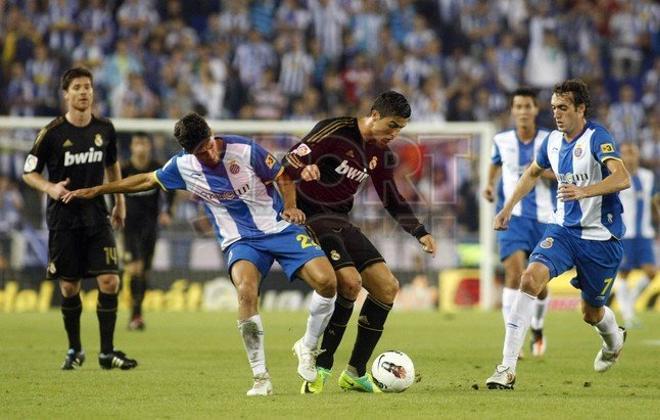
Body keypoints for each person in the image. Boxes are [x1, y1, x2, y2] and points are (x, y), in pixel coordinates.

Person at [63, 112, 338, 396]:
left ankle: (306, 345)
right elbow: (145, 180)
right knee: (245, 290)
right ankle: (260, 378)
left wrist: (291, 206)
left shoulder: (243, 149)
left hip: (279, 227)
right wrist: (98, 190)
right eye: (200, 151)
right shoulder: (182, 167)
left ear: (211, 133)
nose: (209, 152)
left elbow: (282, 176)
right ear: (188, 152)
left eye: (209, 144)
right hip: (240, 240)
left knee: (328, 282)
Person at [282, 90, 437, 393]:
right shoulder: (336, 131)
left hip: (340, 221)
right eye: (392, 125)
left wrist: (419, 231)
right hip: (313, 217)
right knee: (350, 283)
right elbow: (287, 163)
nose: (395, 133)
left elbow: (391, 198)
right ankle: (321, 369)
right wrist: (298, 186)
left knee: (387, 287)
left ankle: (354, 372)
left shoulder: (380, 152)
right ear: (375, 115)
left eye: (401, 129)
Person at [486, 79, 631, 390]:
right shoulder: (551, 141)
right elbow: (531, 173)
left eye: (563, 108)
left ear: (580, 109)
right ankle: (506, 368)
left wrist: (584, 191)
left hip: (601, 238)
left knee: (590, 312)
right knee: (529, 279)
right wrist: (507, 208)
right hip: (563, 230)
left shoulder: (597, 137)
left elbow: (622, 177)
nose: (557, 114)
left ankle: (613, 341)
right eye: (553, 108)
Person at [22, 67, 138, 370]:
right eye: (77, 87)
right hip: (63, 220)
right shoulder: (52, 133)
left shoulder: (105, 129)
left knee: (110, 280)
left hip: (97, 216)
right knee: (69, 288)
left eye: (87, 87)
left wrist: (120, 201)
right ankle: (74, 350)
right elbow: (29, 172)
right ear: (66, 94)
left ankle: (107, 352)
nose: (83, 92)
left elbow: (113, 167)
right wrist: (50, 188)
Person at [483, 87, 555, 357]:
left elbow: (565, 174)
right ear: (512, 111)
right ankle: (513, 338)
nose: (523, 111)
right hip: (511, 216)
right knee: (514, 274)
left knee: (539, 283)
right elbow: (494, 164)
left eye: (528, 106)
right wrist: (489, 185)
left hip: (546, 218)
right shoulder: (501, 140)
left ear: (536, 110)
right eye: (518, 106)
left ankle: (537, 326)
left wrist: (538, 172)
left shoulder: (551, 140)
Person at [121, 132, 175, 331]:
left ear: (149, 146)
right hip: (129, 227)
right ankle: (135, 314)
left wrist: (167, 212)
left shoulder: (156, 168)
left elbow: (170, 190)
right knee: (134, 268)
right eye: (137, 143)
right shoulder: (124, 170)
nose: (141, 147)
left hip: (150, 226)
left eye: (144, 143)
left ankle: (137, 313)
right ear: (132, 147)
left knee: (143, 271)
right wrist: (114, 211)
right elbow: (112, 191)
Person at [616, 143, 658, 328]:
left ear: (638, 155)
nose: (630, 156)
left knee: (651, 272)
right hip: (626, 233)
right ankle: (627, 315)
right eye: (626, 153)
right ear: (621, 156)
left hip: (644, 234)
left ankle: (630, 303)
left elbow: (654, 200)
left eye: (633, 152)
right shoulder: (616, 177)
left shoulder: (648, 176)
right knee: (624, 273)